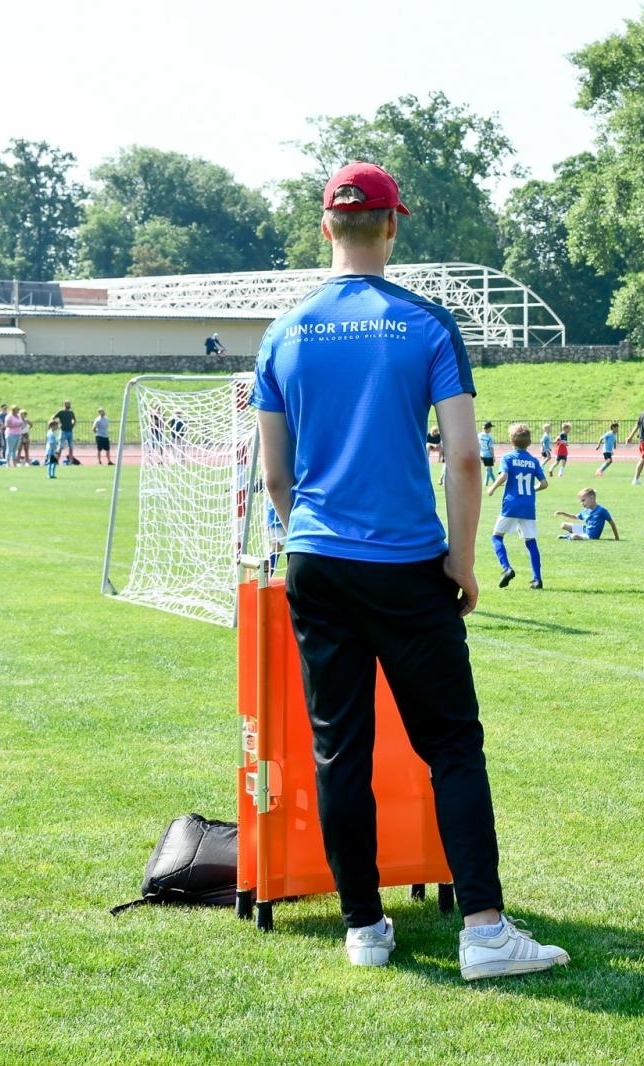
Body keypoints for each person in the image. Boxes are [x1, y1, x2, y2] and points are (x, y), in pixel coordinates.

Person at [251, 161, 567, 979]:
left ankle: (364, 927)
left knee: (338, 751)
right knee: (453, 746)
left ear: (327, 227)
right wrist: (462, 562)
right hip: (404, 562)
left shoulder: (284, 332)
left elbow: (274, 476)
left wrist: (308, 538)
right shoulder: (426, 324)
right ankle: (486, 932)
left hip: (316, 557)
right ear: (394, 226)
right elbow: (464, 457)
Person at [488, 422, 548, 589]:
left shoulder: (508, 458)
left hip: (511, 504)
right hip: (528, 505)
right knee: (531, 541)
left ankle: (506, 568)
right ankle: (537, 579)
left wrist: (492, 488)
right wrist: (532, 489)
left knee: (497, 536)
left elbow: (504, 475)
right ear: (529, 442)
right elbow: (544, 484)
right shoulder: (533, 461)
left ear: (510, 440)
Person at [478, 420, 496, 485]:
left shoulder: (479, 435)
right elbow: (491, 448)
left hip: (482, 454)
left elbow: (478, 445)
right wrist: (493, 456)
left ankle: (495, 481)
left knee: (489, 469)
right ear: (488, 428)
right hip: (488, 454)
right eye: (490, 428)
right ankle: (486, 482)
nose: (491, 429)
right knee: (488, 469)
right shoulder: (490, 437)